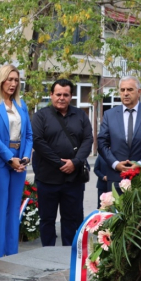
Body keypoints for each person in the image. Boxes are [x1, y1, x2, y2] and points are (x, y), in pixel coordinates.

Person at [31, 79, 92, 247]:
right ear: (51, 95)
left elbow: (88, 139)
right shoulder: (40, 116)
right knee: (47, 220)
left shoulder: (80, 115)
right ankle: (48, 253)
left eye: (66, 95)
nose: (61, 98)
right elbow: (37, 141)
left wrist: (76, 162)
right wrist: (59, 163)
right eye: (58, 94)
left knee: (71, 220)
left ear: (71, 96)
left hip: (73, 179)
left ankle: (68, 255)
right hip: (47, 179)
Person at [0, 65, 33, 259]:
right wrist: (10, 159)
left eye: (16, 80)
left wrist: (25, 157)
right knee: (0, 208)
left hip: (20, 160)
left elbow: (28, 134)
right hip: (2, 161)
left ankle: (12, 254)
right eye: (9, 79)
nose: (12, 84)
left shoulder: (21, 104)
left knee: (13, 209)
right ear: (1, 80)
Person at [97, 76, 141, 191]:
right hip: (116, 177)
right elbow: (101, 143)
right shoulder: (109, 115)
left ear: (139, 92)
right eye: (122, 90)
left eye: (130, 90)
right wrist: (115, 164)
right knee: (114, 209)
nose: (126, 93)